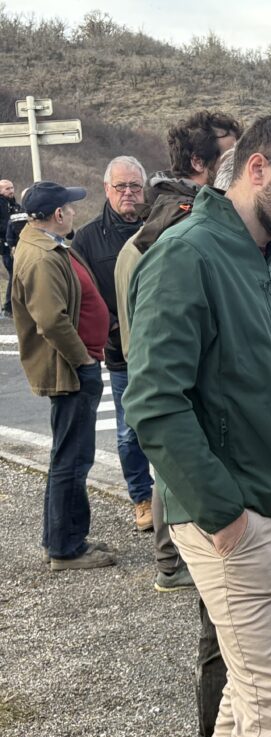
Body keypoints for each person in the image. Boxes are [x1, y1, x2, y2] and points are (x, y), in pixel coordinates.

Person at [123, 113, 271, 737]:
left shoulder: (270, 262)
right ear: (257, 169)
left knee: (253, 691)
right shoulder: (187, 255)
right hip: (241, 518)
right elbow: (154, 402)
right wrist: (223, 514)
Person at [115, 110, 241, 592]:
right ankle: (175, 560)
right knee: (176, 453)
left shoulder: (158, 226)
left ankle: (173, 559)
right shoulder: (181, 233)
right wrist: (224, 517)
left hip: (177, 382)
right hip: (198, 397)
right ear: (198, 163)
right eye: (231, 155)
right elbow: (158, 394)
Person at [11, 181, 115, 571]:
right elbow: (52, 321)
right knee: (72, 459)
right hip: (70, 370)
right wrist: (83, 360)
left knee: (69, 457)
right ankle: (66, 548)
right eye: (69, 207)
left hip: (74, 366)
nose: (74, 212)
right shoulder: (41, 256)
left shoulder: (48, 245)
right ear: (58, 214)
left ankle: (63, 539)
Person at [72, 156, 153, 532]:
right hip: (121, 352)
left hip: (166, 347)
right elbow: (84, 297)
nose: (129, 193)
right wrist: (113, 330)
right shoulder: (87, 239)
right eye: (121, 186)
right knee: (129, 430)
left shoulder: (161, 227)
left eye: (135, 186)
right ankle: (142, 497)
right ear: (107, 190)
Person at [1, 178, 20, 317]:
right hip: (7, 246)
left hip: (17, 245)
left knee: (17, 274)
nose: (11, 190)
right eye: (7, 188)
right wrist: (11, 227)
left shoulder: (15, 205)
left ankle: (13, 306)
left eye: (12, 187)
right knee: (15, 274)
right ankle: (9, 307)